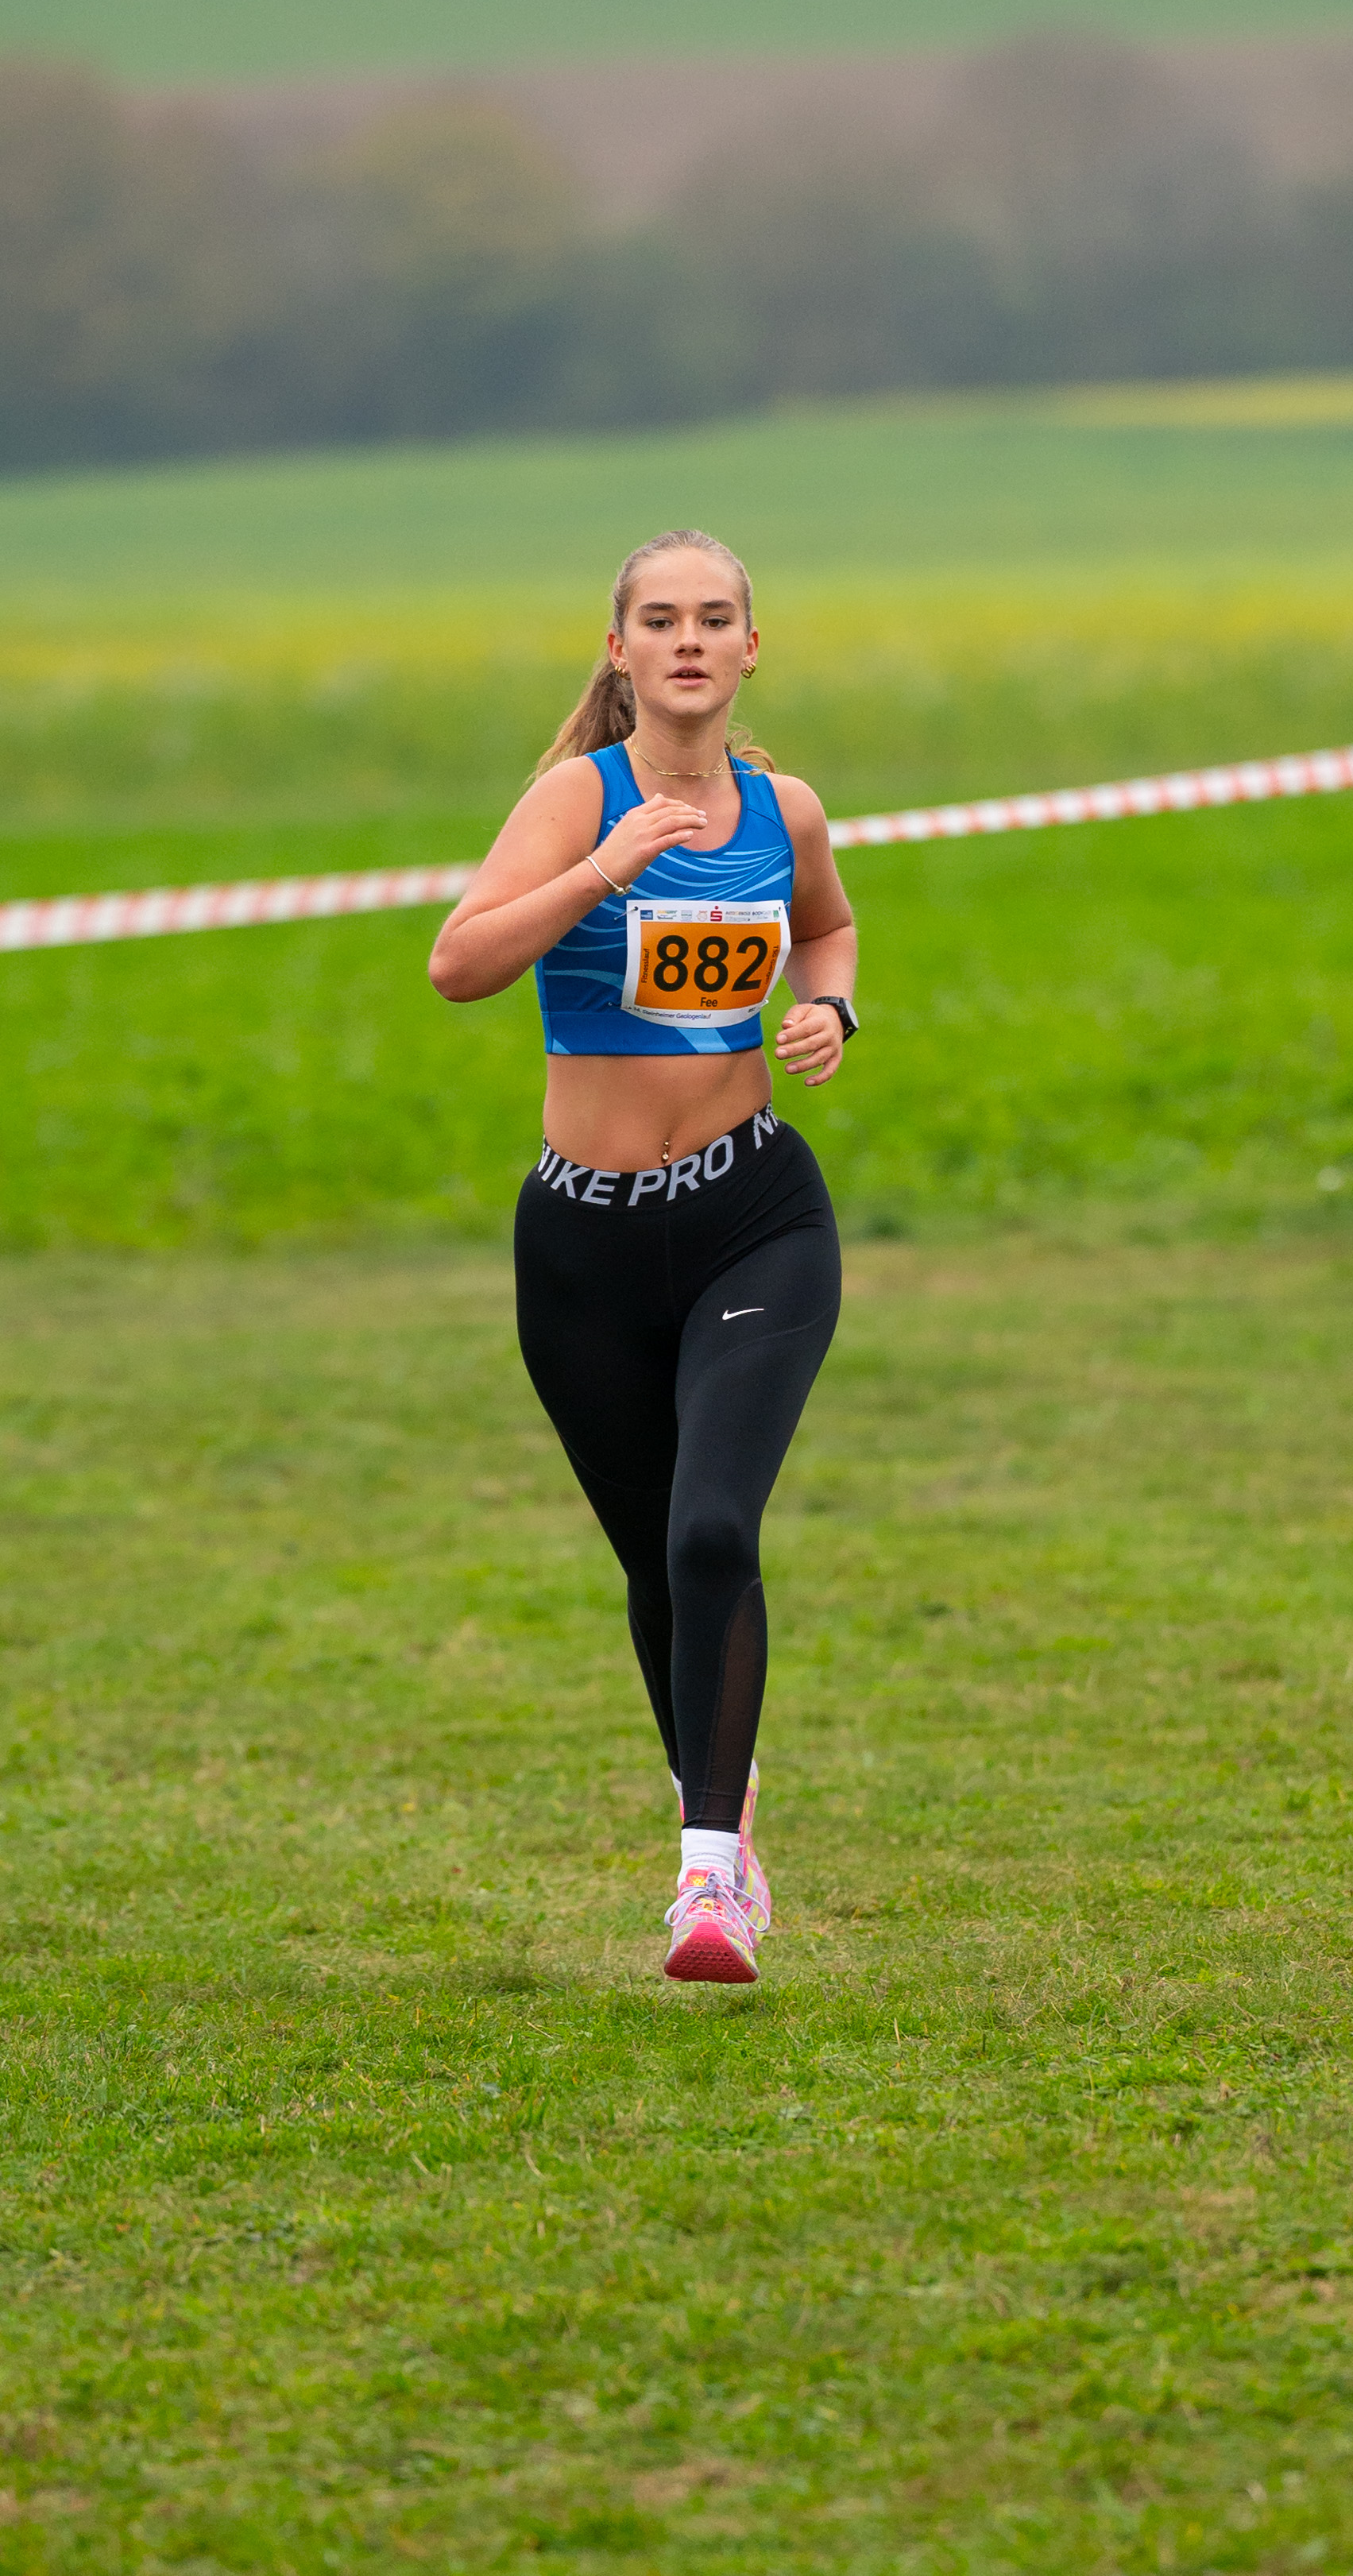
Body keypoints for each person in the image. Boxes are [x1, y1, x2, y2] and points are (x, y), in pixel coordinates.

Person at [429, 528, 859, 1986]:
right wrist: (602, 868)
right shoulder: (577, 797)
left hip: (753, 1214)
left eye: (715, 617)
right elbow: (460, 963)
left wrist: (830, 1010)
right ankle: (722, 1806)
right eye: (661, 619)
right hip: (582, 1249)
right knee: (657, 1565)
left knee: (711, 1531)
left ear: (750, 648)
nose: (689, 639)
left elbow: (830, 927)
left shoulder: (785, 809)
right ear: (619, 650)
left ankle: (707, 1878)